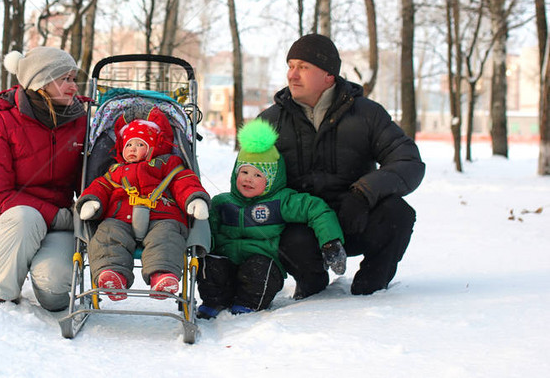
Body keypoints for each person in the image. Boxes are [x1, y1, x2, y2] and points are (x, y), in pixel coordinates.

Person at [259, 33, 425, 297]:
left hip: (355, 217)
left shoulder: (367, 114)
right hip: (303, 227)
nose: (292, 75)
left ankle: (372, 286)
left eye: (303, 67)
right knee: (279, 230)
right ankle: (311, 284)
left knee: (398, 213)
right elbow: (248, 182)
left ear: (328, 75)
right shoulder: (269, 122)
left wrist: (364, 193)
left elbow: (408, 161)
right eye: (290, 66)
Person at [196, 119, 345, 318]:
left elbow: (316, 209)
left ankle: (248, 303)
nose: (249, 179)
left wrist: (330, 242)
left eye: (258, 175)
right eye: (245, 172)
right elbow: (209, 229)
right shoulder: (222, 202)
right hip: (228, 260)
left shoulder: (281, 201)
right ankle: (214, 301)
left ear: (272, 179)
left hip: (261, 262)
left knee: (259, 270)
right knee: (210, 264)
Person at [0, 47, 87, 311]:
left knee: (55, 295)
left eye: (74, 78)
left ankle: (42, 274)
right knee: (27, 217)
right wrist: (58, 216)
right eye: (65, 79)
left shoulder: (82, 121)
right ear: (41, 82)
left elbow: (88, 180)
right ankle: (1, 296)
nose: (73, 86)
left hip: (59, 227)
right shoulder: (0, 123)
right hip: (11, 226)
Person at [75, 106, 210, 300]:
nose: (132, 149)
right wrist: (92, 202)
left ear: (154, 146)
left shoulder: (168, 164)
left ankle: (162, 275)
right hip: (120, 217)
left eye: (139, 144)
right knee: (107, 235)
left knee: (166, 237)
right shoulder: (116, 170)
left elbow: (184, 182)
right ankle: (113, 275)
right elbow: (101, 186)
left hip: (162, 216)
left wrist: (194, 198)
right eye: (129, 145)